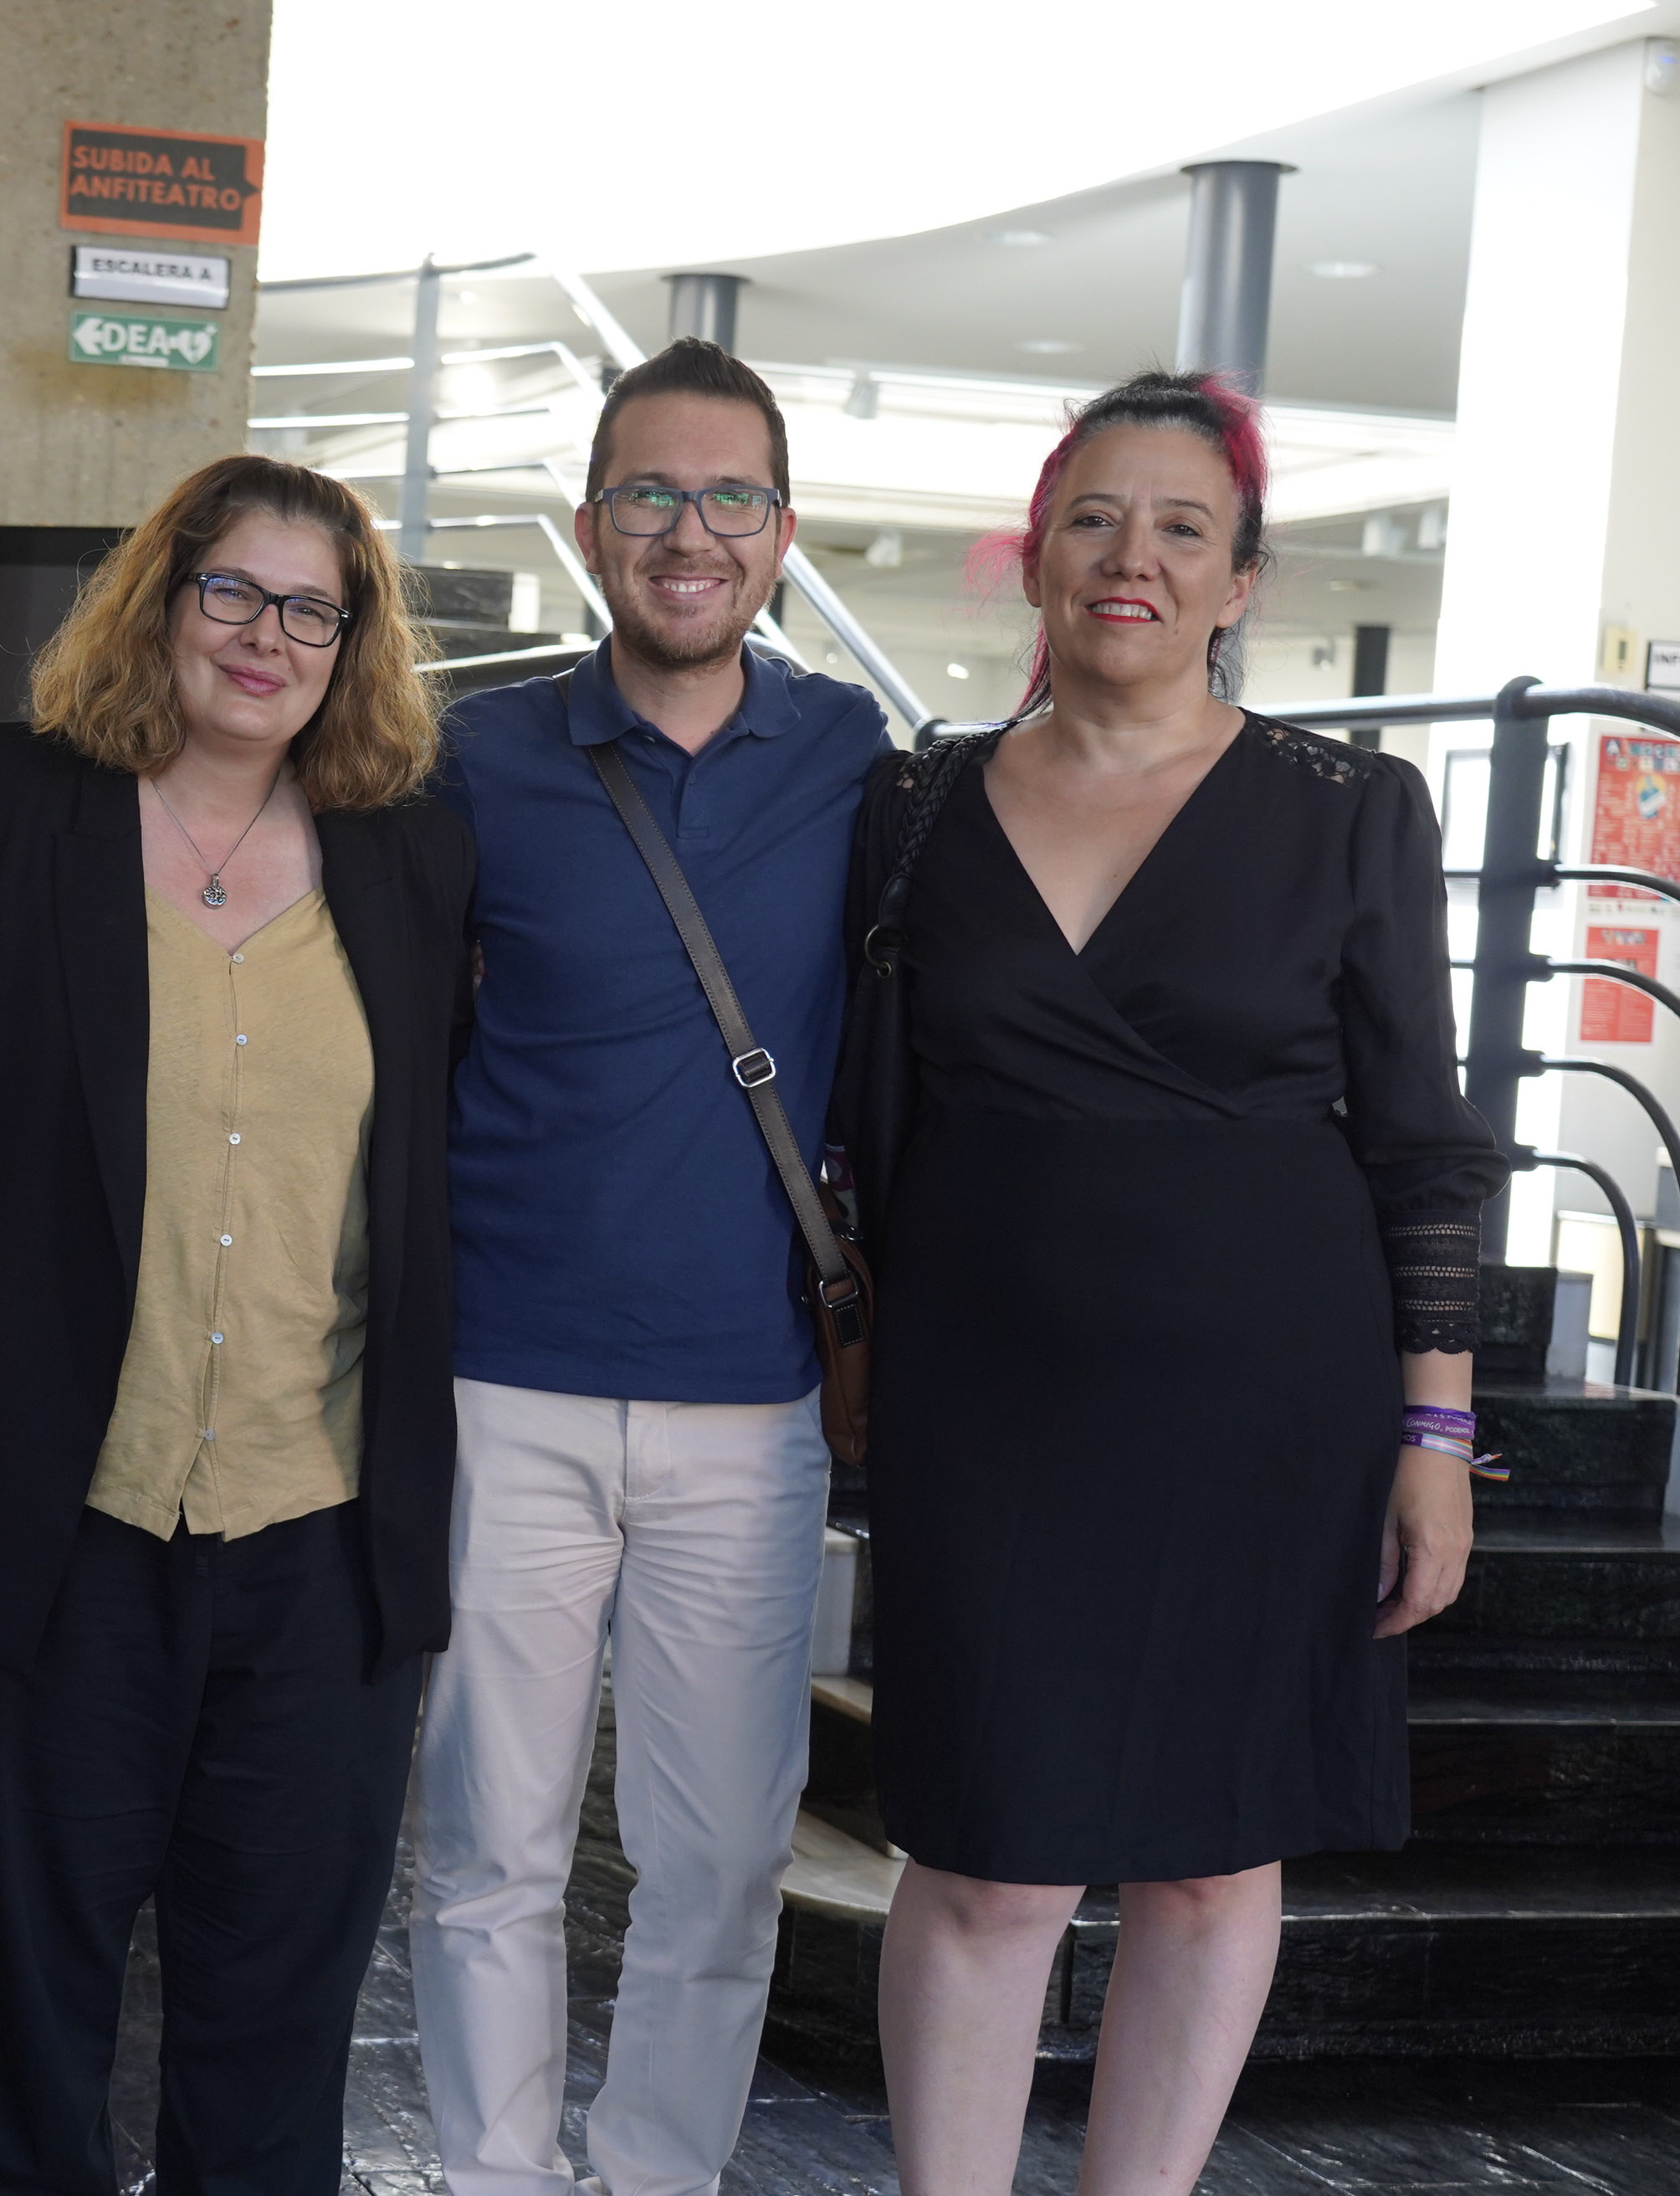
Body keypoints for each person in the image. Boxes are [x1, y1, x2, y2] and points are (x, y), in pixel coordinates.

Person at [843, 371, 1502, 2194]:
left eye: (1181, 528)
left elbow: (1423, 1145)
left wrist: (1436, 1438)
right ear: (1038, 555)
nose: (1131, 557)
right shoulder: (914, 804)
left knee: (1212, 1859)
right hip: (988, 1401)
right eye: (1095, 518)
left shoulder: (1352, 807)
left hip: (1266, 1401)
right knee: (988, 1858)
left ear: (1240, 581)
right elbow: (865, 1110)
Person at [0, 454, 473, 2196]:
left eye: (313, 609)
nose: (265, 636)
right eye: (232, 589)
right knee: (28, 2019)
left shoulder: (412, 852)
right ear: (161, 597)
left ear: (351, 645)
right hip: (67, 1521)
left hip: (321, 1538)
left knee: (275, 2042)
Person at [409, 337, 891, 2196]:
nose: (691, 532)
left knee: (719, 1863)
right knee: (491, 1844)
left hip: (751, 1402)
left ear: (784, 531)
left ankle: (659, 2174)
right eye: (650, 494)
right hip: (504, 1381)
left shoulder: (856, 763)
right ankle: (494, 2174)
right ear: (591, 519)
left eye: (730, 496)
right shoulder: (475, 758)